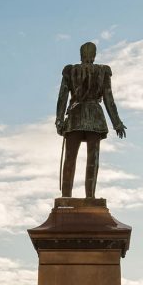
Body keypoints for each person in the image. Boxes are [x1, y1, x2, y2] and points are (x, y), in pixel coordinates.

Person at [55, 41, 126, 198]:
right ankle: (90, 197)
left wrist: (59, 119)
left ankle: (66, 197)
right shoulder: (102, 71)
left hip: (75, 117)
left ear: (81, 54)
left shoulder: (71, 70)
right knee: (92, 159)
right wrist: (117, 123)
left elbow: (62, 97)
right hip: (95, 117)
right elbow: (108, 99)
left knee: (70, 158)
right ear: (94, 55)